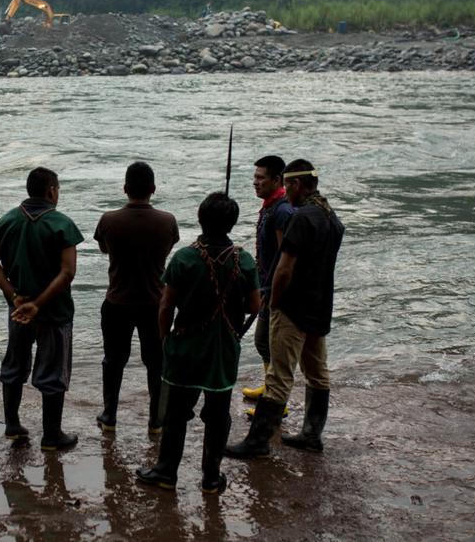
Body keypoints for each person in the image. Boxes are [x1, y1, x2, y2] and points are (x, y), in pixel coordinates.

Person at [135, 192, 260, 494]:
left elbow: (165, 307)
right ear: (232, 222)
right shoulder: (243, 259)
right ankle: (211, 478)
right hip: (224, 349)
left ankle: (166, 472)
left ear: (200, 219)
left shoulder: (185, 258)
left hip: (186, 346)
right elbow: (255, 306)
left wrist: (166, 339)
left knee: (176, 413)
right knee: (218, 415)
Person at [226, 159, 344, 458]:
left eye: (288, 185)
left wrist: (274, 302)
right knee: (317, 372)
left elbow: (284, 269)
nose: (286, 190)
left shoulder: (301, 218)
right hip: (320, 306)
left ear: (295, 185)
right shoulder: (331, 217)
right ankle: (311, 434)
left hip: (293, 308)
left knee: (279, 376)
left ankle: (257, 442)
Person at [0, 167, 84, 450]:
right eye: (58, 189)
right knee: (53, 373)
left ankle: (13, 425)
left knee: (15, 365)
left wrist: (14, 295)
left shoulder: (8, 220)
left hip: (18, 308)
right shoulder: (61, 224)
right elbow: (67, 273)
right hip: (53, 311)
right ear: (51, 190)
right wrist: (38, 304)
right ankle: (52, 435)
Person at [93, 162, 179, 433]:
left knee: (113, 360)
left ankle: (110, 415)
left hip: (118, 301)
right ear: (153, 189)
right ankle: (156, 419)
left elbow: (104, 248)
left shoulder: (109, 220)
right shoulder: (167, 221)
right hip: (155, 302)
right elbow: (168, 247)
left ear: (125, 188)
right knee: (156, 362)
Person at [241, 156, 295, 413]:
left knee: (268, 341)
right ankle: (269, 387)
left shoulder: (282, 211)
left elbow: (287, 255)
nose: (255, 182)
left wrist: (274, 292)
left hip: (276, 289)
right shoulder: (271, 206)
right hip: (266, 285)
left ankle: (276, 401)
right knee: (264, 341)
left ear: (277, 180)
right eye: (255, 177)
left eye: (261, 178)